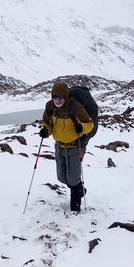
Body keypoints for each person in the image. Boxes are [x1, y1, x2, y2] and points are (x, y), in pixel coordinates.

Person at [39, 82, 94, 212]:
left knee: (74, 179)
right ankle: (80, 189)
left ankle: (75, 208)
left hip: (76, 147)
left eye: (60, 97)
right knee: (62, 177)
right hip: (59, 147)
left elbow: (90, 124)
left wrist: (82, 127)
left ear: (65, 96)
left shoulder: (75, 106)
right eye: (54, 97)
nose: (57, 100)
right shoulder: (50, 106)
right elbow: (47, 123)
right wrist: (45, 131)